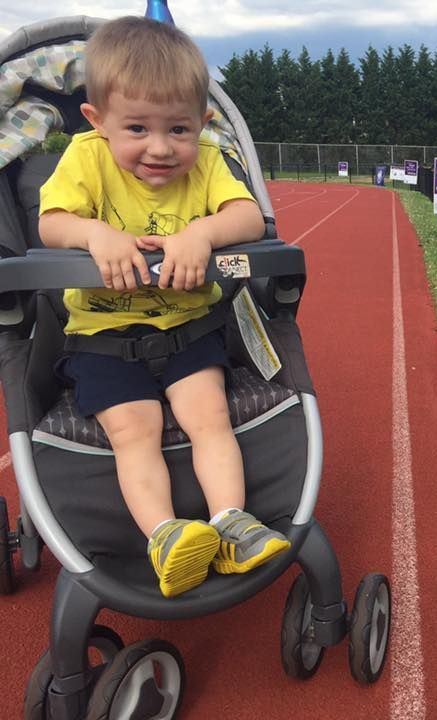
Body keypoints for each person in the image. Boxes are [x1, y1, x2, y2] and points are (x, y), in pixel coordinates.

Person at [38, 16, 290, 598]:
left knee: (209, 416)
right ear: (97, 121)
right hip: (103, 338)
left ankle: (231, 523)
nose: (160, 147)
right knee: (134, 428)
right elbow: (52, 223)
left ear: (203, 122)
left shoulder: (206, 161)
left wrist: (202, 233)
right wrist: (93, 234)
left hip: (189, 329)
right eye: (137, 128)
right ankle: (165, 534)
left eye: (179, 128)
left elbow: (249, 218)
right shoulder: (86, 158)